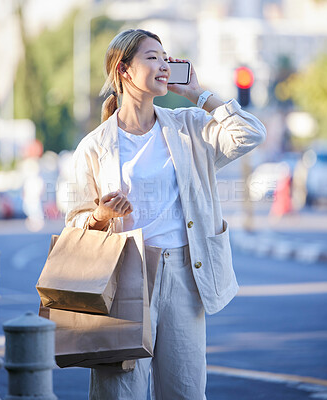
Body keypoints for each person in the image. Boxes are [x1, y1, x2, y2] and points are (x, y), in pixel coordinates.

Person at [66, 28, 266, 400]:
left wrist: (198, 94)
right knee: (119, 389)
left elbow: (250, 133)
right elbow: (74, 223)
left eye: (165, 57)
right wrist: (99, 214)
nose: (163, 64)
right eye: (152, 57)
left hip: (185, 272)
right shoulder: (94, 146)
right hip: (123, 274)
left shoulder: (188, 125)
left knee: (185, 390)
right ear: (124, 70)